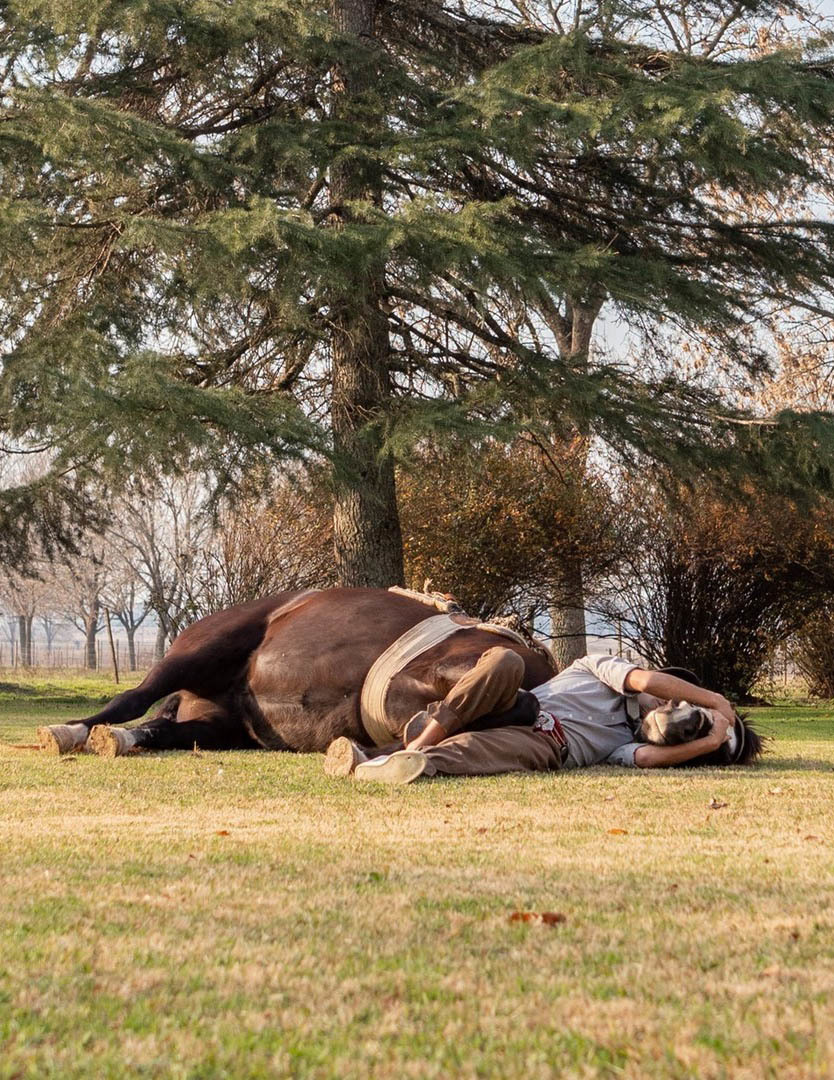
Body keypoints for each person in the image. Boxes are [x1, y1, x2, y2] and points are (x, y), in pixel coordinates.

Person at [324, 648, 738, 784]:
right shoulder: (604, 668)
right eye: (676, 700)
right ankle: (419, 741)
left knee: (483, 752)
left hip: (544, 743)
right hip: (510, 704)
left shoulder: (627, 743)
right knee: (504, 660)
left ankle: (392, 764)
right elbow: (646, 681)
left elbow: (648, 759)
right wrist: (716, 703)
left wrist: (710, 741)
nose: (671, 708)